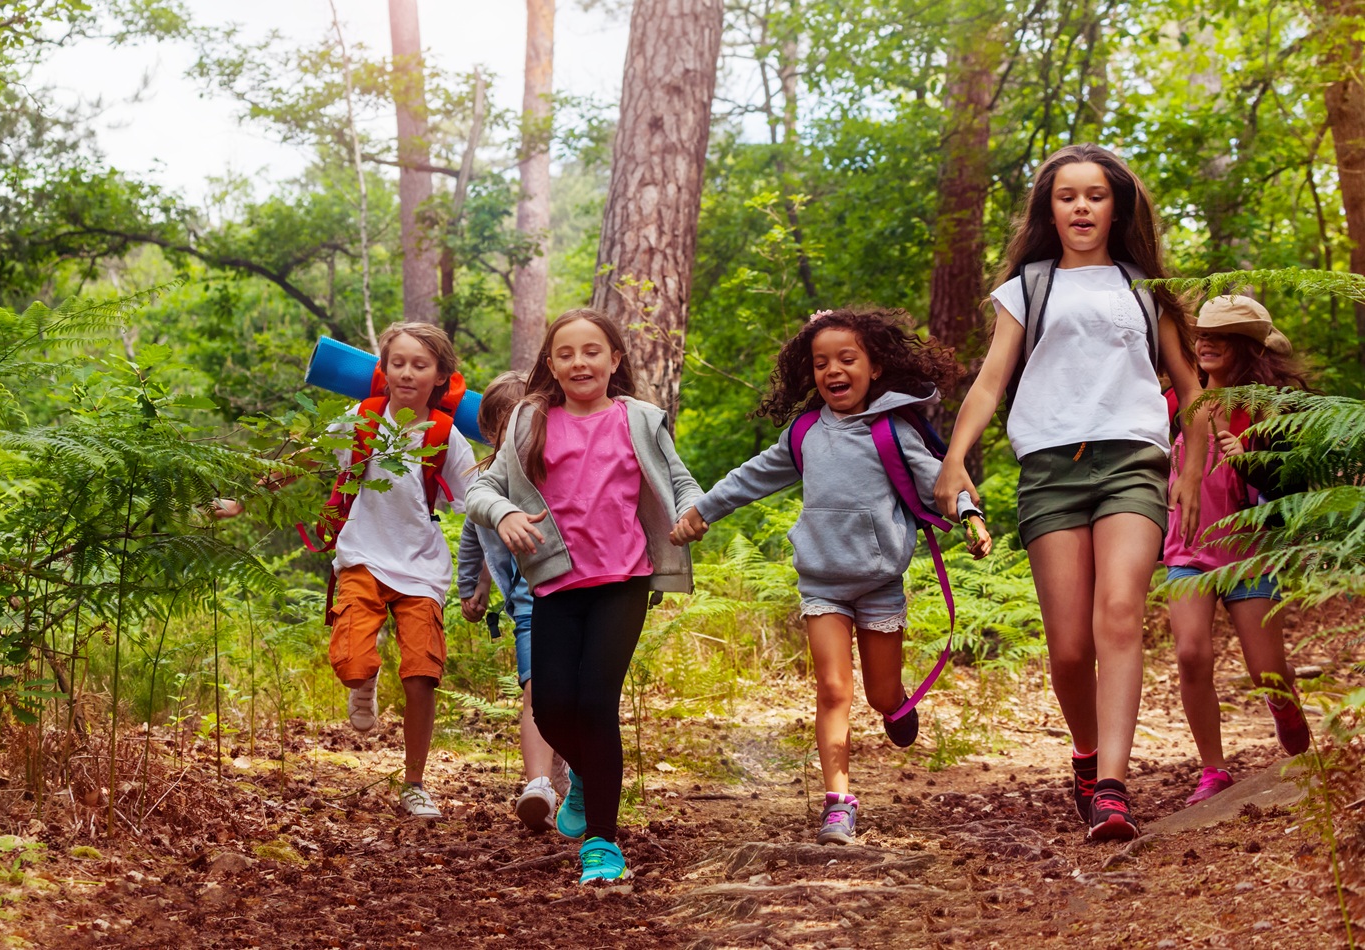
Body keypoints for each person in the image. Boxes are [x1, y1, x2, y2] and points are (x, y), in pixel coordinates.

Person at [933, 143, 1208, 842]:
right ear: (1049, 210)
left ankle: (1113, 787)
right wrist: (954, 460)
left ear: (1117, 206)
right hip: (1051, 469)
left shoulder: (1147, 288)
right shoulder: (1028, 287)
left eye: (1095, 195)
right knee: (1066, 649)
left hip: (1132, 464)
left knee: (1118, 612)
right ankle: (1086, 756)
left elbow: (1190, 388)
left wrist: (1193, 476)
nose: (1081, 206)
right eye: (1067, 196)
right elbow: (992, 381)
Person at [673, 308, 992, 847]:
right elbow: (753, 476)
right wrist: (704, 509)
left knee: (880, 692)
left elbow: (940, 478)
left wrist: (969, 515)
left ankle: (895, 706)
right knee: (833, 689)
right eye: (821, 363)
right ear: (810, 373)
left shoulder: (893, 431)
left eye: (847, 359)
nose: (833, 371)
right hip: (822, 582)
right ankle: (838, 803)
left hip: (880, 581)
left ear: (874, 368)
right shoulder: (803, 434)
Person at [465, 309, 701, 885]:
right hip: (555, 584)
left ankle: (602, 840)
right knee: (549, 709)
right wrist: (506, 513)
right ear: (550, 364)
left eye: (592, 351)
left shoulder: (641, 419)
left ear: (614, 360)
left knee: (596, 704)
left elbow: (680, 481)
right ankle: (593, 776)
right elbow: (481, 489)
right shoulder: (530, 419)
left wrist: (695, 511)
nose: (579, 362)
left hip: (623, 581)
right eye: (566, 353)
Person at [1165, 296, 1312, 804]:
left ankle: (1286, 709)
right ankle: (1213, 770)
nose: (1205, 342)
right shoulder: (1176, 404)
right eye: (1201, 334)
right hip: (1187, 549)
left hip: (1250, 554)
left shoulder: (1269, 411)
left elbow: (1293, 485)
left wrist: (1249, 456)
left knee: (1266, 671)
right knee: (1190, 653)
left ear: (1246, 347)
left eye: (1219, 336)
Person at [327, 322, 477, 820]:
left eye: (420, 364)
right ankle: (363, 679)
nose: (408, 372)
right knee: (351, 661)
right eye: (398, 363)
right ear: (384, 369)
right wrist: (247, 495)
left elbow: (477, 494)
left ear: (440, 377)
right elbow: (304, 464)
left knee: (421, 676)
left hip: (421, 567)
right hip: (362, 555)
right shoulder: (361, 419)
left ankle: (414, 783)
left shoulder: (444, 435)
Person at [455, 370, 565, 830]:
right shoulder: (485, 483)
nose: (517, 434)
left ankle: (570, 781)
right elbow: (474, 536)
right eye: (506, 427)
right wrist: (473, 587)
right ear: (490, 431)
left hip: (578, 591)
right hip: (529, 602)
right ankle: (538, 783)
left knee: (577, 696)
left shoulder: (558, 465)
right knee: (537, 693)